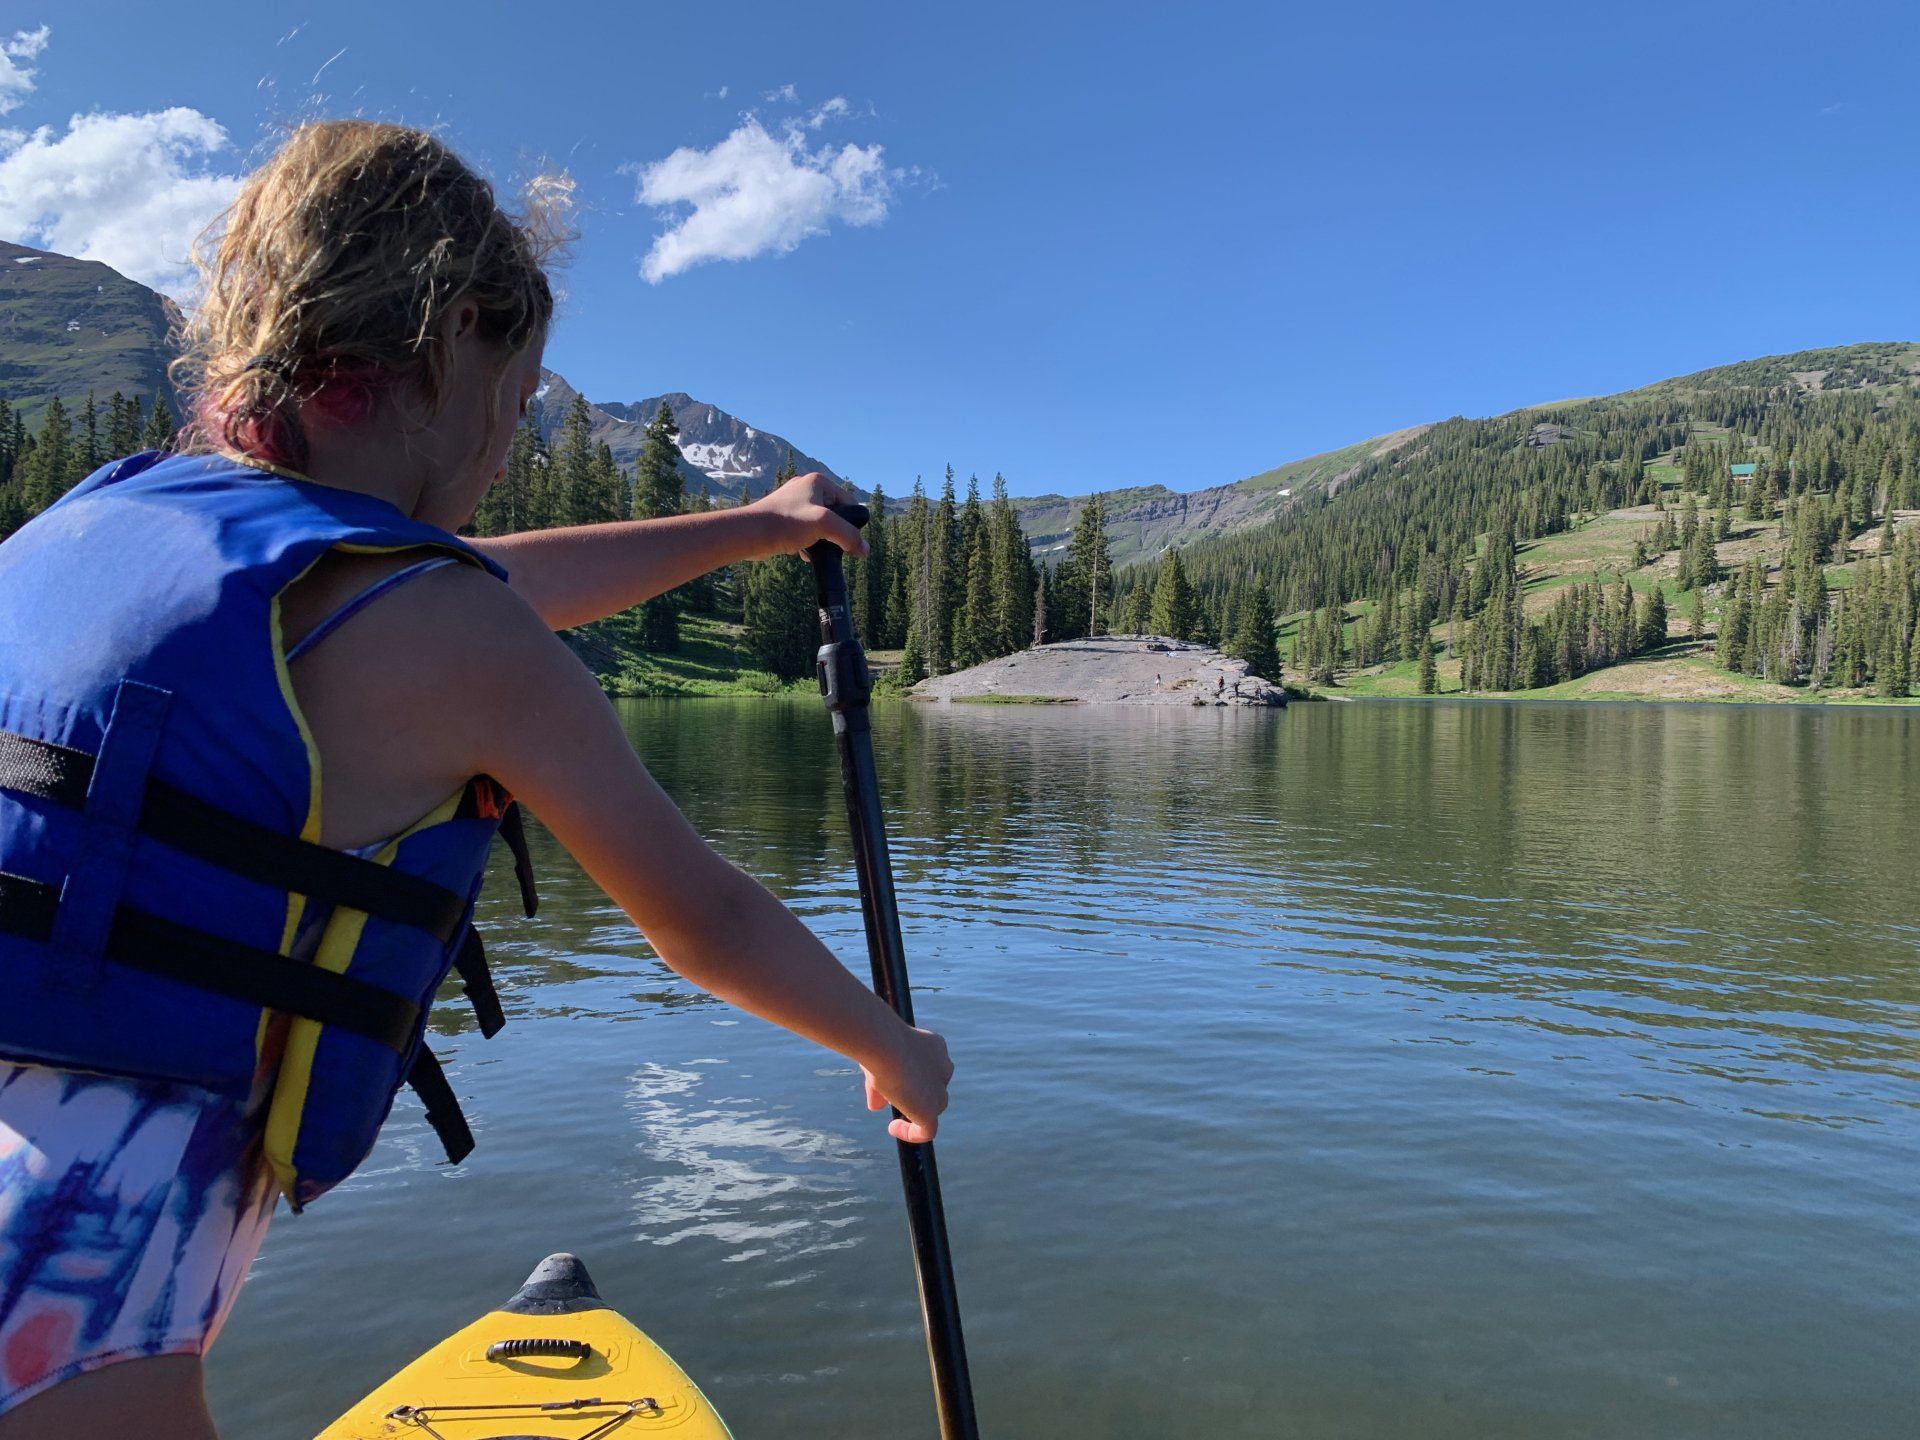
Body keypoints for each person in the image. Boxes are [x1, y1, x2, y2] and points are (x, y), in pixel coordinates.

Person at [0, 120, 952, 1439]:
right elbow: (708, 925)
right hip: (72, 1317)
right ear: (438, 353)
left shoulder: (102, 517)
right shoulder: (441, 632)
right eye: (513, 402)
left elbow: (500, 580)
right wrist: (892, 1048)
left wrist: (757, 528)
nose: (512, 441)